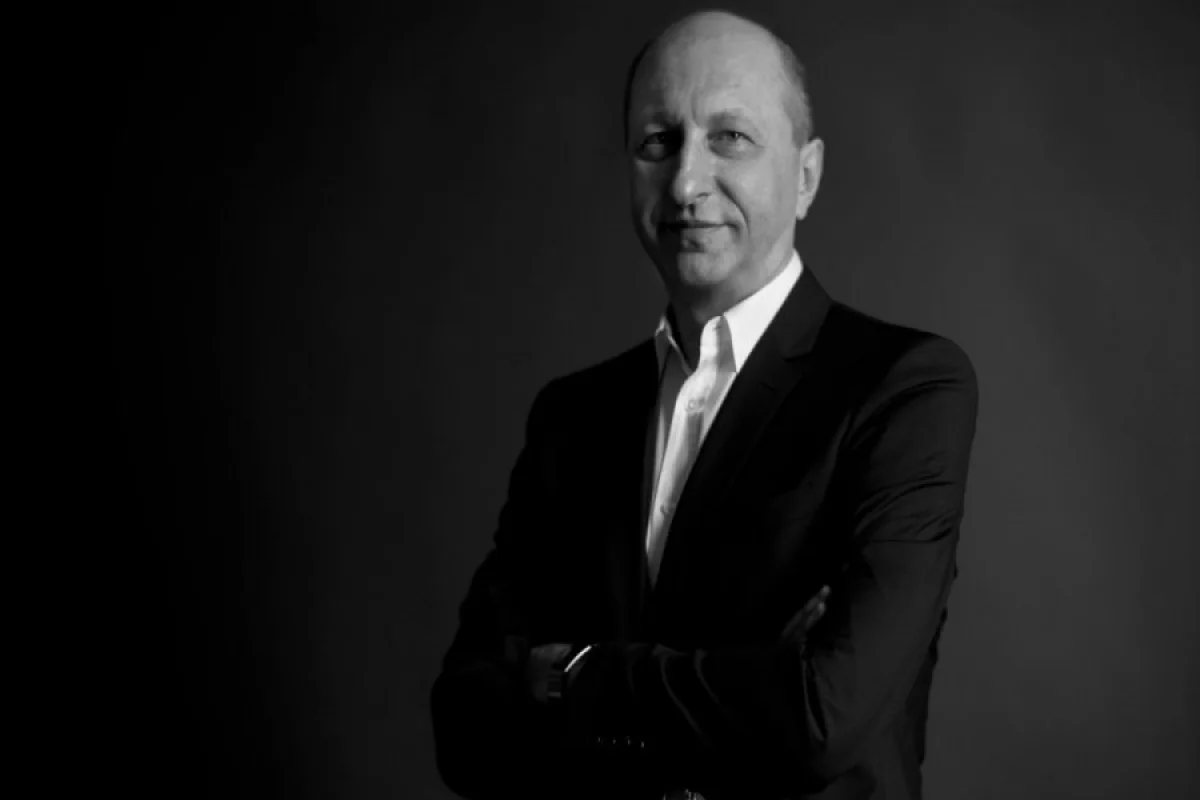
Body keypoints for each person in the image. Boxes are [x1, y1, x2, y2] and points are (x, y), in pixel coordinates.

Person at [431, 9, 978, 800]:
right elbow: (463, 726)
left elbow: (820, 718)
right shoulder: (572, 419)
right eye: (658, 141)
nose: (686, 183)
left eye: (731, 138)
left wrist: (573, 674)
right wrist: (744, 680)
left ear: (806, 176)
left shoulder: (903, 389)